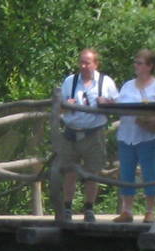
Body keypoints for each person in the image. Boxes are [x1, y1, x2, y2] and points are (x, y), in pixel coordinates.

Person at [58, 48, 118, 221]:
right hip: (71, 133)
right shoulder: (70, 81)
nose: (84, 66)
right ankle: (67, 208)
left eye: (87, 62)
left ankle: (89, 209)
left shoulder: (105, 82)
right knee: (69, 171)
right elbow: (58, 106)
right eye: (81, 62)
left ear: (96, 64)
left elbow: (119, 103)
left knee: (93, 172)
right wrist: (66, 104)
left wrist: (107, 102)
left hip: (94, 133)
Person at [115, 50, 155, 222]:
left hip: (148, 137)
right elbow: (118, 105)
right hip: (126, 135)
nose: (136, 66)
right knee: (126, 173)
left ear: (149, 66)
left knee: (150, 173)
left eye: (140, 63)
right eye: (135, 62)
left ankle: (150, 211)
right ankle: (127, 210)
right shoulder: (127, 86)